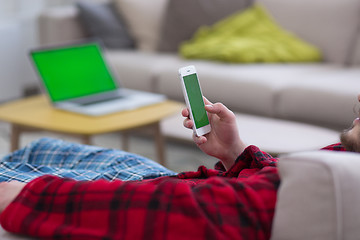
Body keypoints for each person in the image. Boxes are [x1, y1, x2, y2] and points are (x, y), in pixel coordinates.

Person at [0, 94, 356, 240]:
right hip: (179, 182)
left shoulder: (344, 176)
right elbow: (284, 183)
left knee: (16, 174)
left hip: (165, 193)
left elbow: (195, 212)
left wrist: (34, 197)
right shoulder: (346, 157)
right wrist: (236, 152)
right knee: (41, 147)